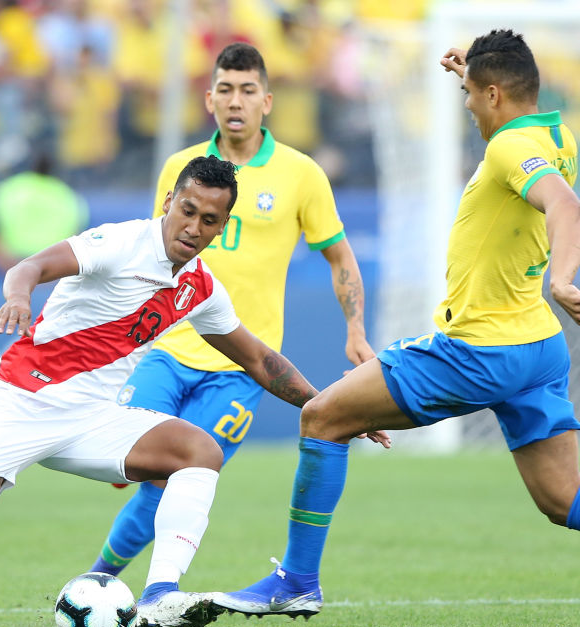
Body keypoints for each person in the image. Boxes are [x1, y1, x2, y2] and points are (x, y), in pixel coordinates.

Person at [211, 30, 580, 627]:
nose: (466, 105)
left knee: (322, 417)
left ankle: (295, 583)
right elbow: (521, 132)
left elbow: (566, 207)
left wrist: (564, 279)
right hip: (536, 350)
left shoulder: (505, 150)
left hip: (476, 348)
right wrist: (471, 70)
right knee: (564, 498)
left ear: (494, 94)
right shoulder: (556, 133)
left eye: (472, 94)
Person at [0, 156, 341, 627]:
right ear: (168, 202)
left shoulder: (199, 288)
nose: (193, 226)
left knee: (199, 452)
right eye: (187, 209)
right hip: (22, 401)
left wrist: (327, 408)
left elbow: (259, 360)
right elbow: (28, 267)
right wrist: (18, 297)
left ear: (223, 228)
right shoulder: (119, 243)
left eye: (208, 220)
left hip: (94, 418)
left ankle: (160, 596)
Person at [88, 42, 375, 578]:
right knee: (119, 469)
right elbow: (151, 257)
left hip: (243, 368)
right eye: (225, 89)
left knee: (173, 475)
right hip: (168, 351)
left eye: (247, 90)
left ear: (267, 101)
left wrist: (355, 328)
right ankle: (108, 581)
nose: (235, 100)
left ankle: (101, 580)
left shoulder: (301, 174)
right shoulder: (182, 168)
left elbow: (340, 257)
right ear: (209, 99)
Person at [0, 153, 88, 273]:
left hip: (11, 266)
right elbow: (77, 241)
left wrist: (12, 270)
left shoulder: (4, 190)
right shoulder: (70, 196)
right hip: (52, 267)